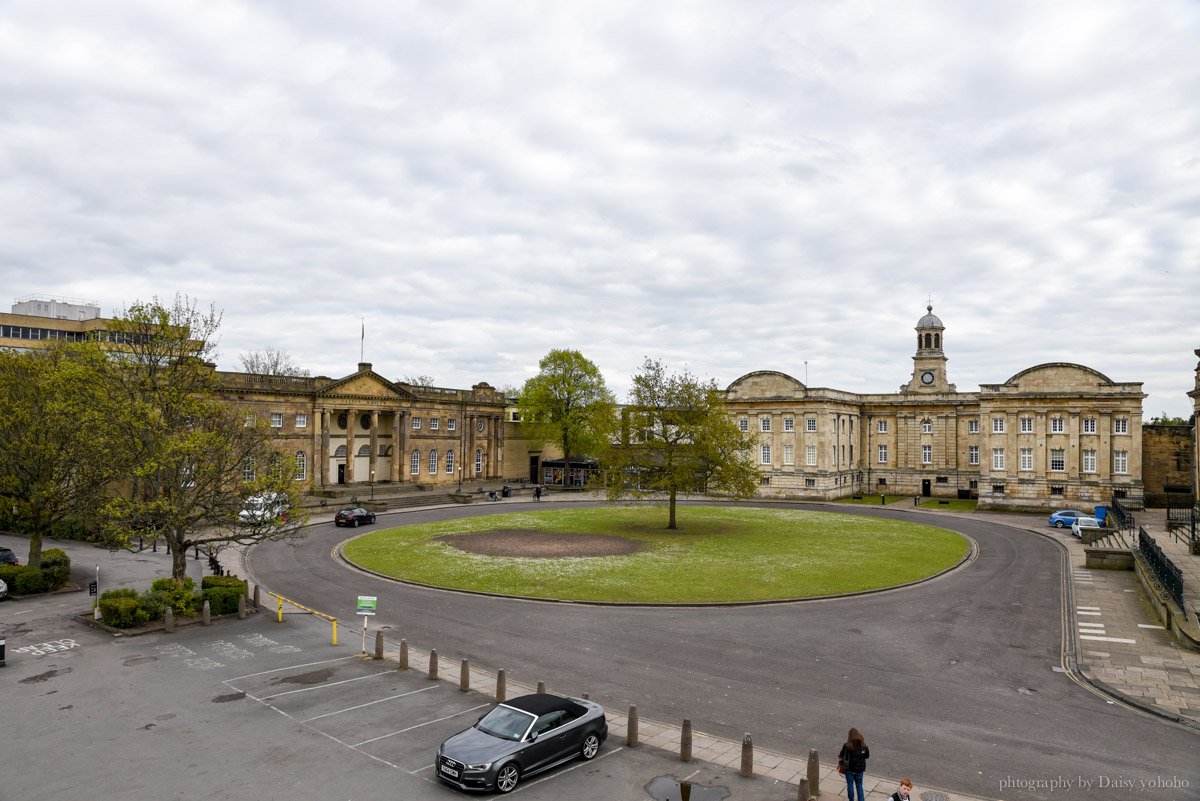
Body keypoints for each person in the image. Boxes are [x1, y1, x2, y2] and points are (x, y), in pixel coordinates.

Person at [838, 727, 870, 801]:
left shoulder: (847, 746)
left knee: (850, 785)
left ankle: (851, 800)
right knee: (859, 786)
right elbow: (867, 756)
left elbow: (841, 754)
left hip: (849, 769)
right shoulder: (864, 746)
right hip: (859, 770)